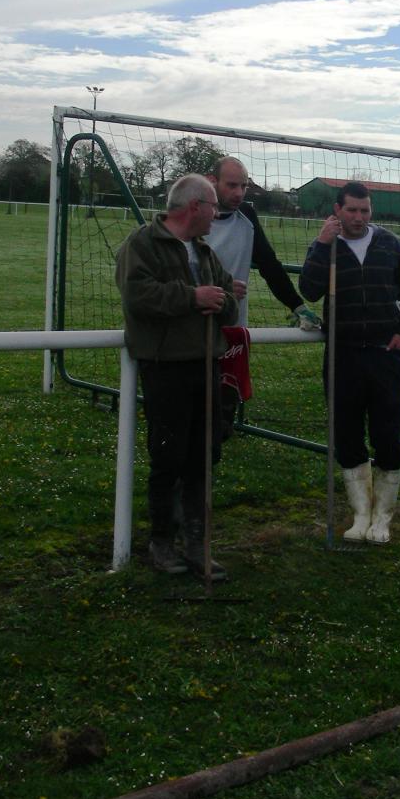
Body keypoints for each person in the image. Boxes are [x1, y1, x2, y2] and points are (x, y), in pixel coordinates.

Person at [115, 173, 239, 577]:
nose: (217, 215)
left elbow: (228, 307)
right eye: (214, 207)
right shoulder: (142, 245)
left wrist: (219, 300)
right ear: (194, 208)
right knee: (168, 456)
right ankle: (162, 543)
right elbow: (137, 297)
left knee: (203, 457)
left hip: (207, 366)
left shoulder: (205, 253)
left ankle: (197, 544)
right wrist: (192, 298)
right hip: (165, 368)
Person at [299, 181, 400, 544]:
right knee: (348, 436)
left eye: (364, 210)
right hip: (343, 354)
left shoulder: (390, 243)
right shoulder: (327, 245)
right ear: (337, 209)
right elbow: (309, 289)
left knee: (387, 436)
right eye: (351, 210)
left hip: (385, 356)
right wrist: (322, 244)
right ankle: (360, 515)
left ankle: (382, 519)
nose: (358, 217)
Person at [204, 156, 322, 438]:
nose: (238, 193)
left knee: (222, 418)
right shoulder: (193, 214)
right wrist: (220, 287)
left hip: (232, 329)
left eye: (243, 186)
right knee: (194, 414)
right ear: (212, 182)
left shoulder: (247, 217)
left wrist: (297, 307)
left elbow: (269, 264)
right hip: (191, 327)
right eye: (231, 185)